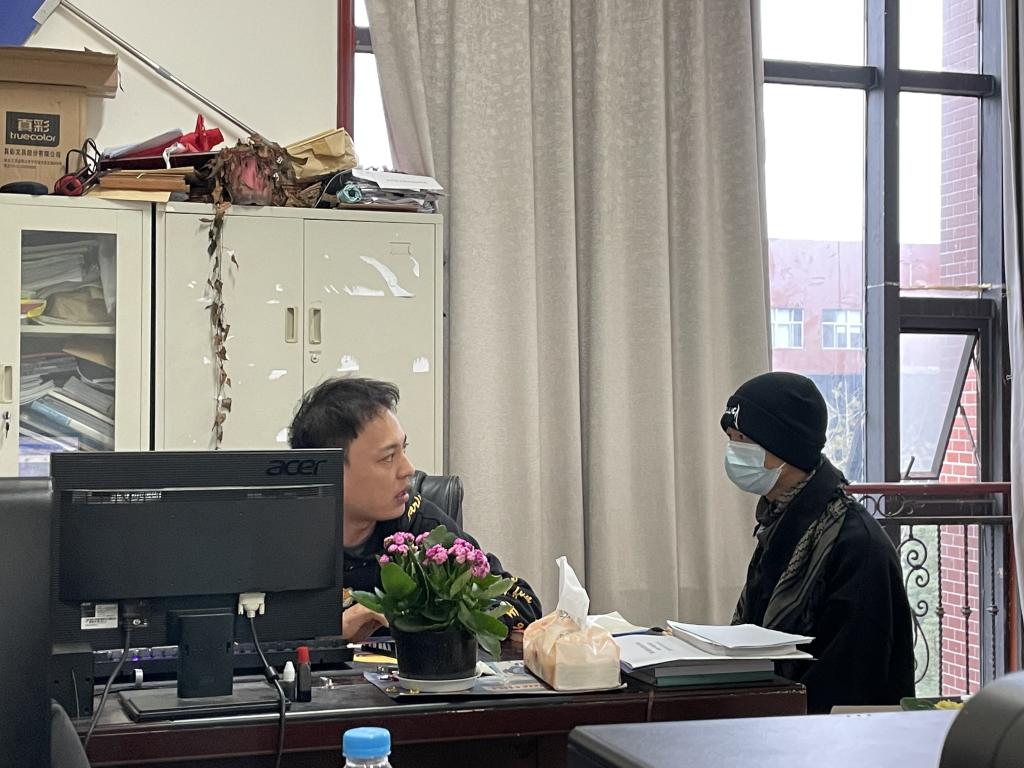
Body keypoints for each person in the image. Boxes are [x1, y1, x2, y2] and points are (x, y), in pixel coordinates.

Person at [289, 377, 542, 642]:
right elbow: (260, 632)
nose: (408, 469)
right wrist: (327, 630)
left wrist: (437, 617)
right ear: (330, 471)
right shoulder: (282, 539)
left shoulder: (420, 531)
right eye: (388, 458)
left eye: (404, 449)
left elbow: (521, 601)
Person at [720, 371, 915, 713]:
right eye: (731, 438)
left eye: (743, 439)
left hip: (835, 734)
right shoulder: (780, 524)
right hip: (774, 725)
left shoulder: (857, 546)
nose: (733, 451)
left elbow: (850, 680)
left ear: (784, 447)